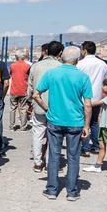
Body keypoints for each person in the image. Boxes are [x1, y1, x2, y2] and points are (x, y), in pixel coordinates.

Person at [33, 46, 93, 201]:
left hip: (55, 120)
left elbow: (36, 94)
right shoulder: (83, 77)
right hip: (75, 121)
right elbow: (87, 104)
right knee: (73, 156)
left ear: (61, 57)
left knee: (54, 155)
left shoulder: (52, 74)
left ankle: (52, 190)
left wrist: (47, 109)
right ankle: (72, 192)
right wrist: (87, 126)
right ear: (77, 59)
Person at [26, 41, 63, 172]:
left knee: (37, 134)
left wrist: (29, 101)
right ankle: (50, 164)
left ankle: (37, 162)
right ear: (60, 53)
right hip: (56, 107)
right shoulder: (61, 66)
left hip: (38, 105)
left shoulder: (35, 66)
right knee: (54, 136)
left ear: (46, 51)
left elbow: (30, 87)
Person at [83, 78, 107, 177]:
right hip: (104, 126)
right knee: (101, 146)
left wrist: (86, 104)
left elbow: (96, 103)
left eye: (104, 85)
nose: (102, 87)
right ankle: (97, 166)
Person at [76, 41, 107, 157]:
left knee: (83, 122)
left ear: (84, 50)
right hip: (97, 97)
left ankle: (85, 148)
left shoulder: (80, 64)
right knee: (94, 122)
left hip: (83, 98)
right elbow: (106, 80)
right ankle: (96, 146)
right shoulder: (102, 64)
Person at [8, 53, 31, 131]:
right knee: (23, 109)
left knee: (12, 109)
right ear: (24, 57)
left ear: (16, 57)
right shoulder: (28, 66)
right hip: (23, 90)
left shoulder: (12, 66)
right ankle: (23, 126)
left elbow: (11, 74)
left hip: (14, 90)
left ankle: (12, 126)